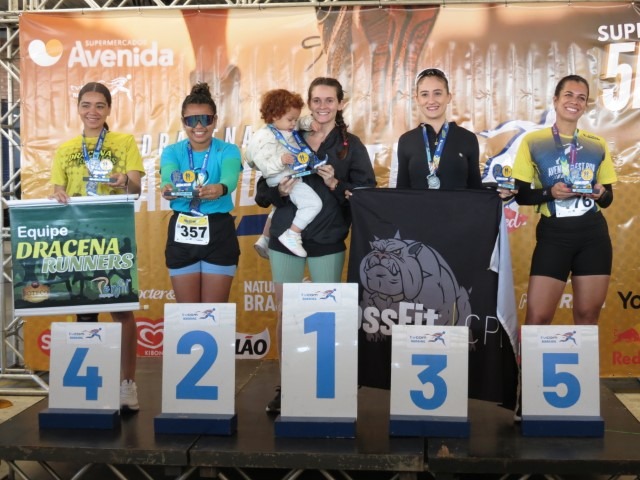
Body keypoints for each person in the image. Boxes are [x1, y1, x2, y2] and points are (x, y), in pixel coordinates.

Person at [255, 77, 377, 413]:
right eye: (317, 100)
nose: (323, 106)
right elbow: (261, 191)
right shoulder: (286, 135)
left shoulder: (350, 145)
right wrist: (278, 191)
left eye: (329, 100)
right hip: (285, 237)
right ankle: (287, 385)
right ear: (309, 104)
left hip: (328, 239)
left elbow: (365, 195)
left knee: (328, 314)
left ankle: (327, 384)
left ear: (340, 103)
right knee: (285, 314)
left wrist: (336, 182)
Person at [50, 81, 144, 412]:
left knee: (122, 310)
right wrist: (58, 194)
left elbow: (137, 186)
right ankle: (89, 389)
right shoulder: (65, 149)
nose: (93, 111)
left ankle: (127, 384)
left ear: (109, 109)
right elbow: (57, 191)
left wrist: (125, 180)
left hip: (113, 236)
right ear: (78, 108)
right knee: (85, 311)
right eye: (87, 105)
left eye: (100, 105)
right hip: (77, 240)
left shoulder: (124, 142)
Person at [512, 74, 617, 325]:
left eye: (581, 98)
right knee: (537, 318)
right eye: (568, 95)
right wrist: (550, 193)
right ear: (556, 100)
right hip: (554, 235)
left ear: (585, 105)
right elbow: (522, 195)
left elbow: (607, 199)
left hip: (593, 235)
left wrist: (601, 194)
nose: (574, 101)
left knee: (588, 317)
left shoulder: (597, 144)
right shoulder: (533, 141)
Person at [161, 82, 242, 304]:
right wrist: (167, 188)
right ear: (183, 122)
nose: (199, 126)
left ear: (215, 120)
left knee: (213, 313)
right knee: (188, 314)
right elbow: (168, 176)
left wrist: (220, 188)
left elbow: (230, 178)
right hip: (182, 230)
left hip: (218, 231)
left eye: (205, 119)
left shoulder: (228, 150)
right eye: (191, 120)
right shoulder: (172, 151)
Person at [245, 89, 323, 258]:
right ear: (275, 116)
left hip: (288, 174)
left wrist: (310, 123)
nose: (294, 123)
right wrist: (280, 161)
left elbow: (300, 122)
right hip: (282, 177)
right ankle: (292, 234)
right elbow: (265, 168)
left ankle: (265, 238)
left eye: (295, 119)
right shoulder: (264, 138)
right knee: (313, 204)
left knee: (277, 209)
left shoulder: (285, 126)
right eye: (290, 119)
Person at [396, 67, 482, 190]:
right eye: (424, 94)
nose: (431, 101)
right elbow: (401, 192)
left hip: (458, 204)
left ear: (448, 97)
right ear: (417, 99)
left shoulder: (468, 138)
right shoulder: (406, 140)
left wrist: (502, 195)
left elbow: (477, 191)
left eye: (437, 93)